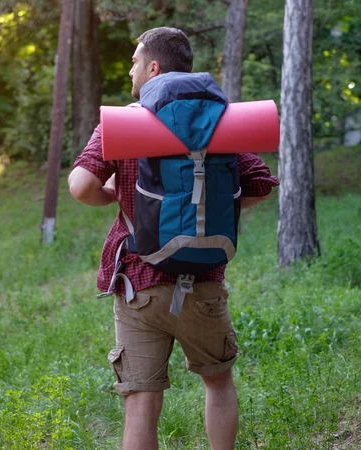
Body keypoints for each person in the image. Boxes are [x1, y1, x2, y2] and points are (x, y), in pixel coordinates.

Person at [67, 27, 279, 450]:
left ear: (153, 67)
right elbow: (261, 184)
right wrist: (215, 206)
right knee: (217, 383)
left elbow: (80, 185)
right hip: (203, 280)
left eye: (134, 61)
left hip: (140, 285)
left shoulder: (124, 122)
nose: (130, 69)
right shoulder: (218, 122)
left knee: (141, 403)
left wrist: (113, 195)